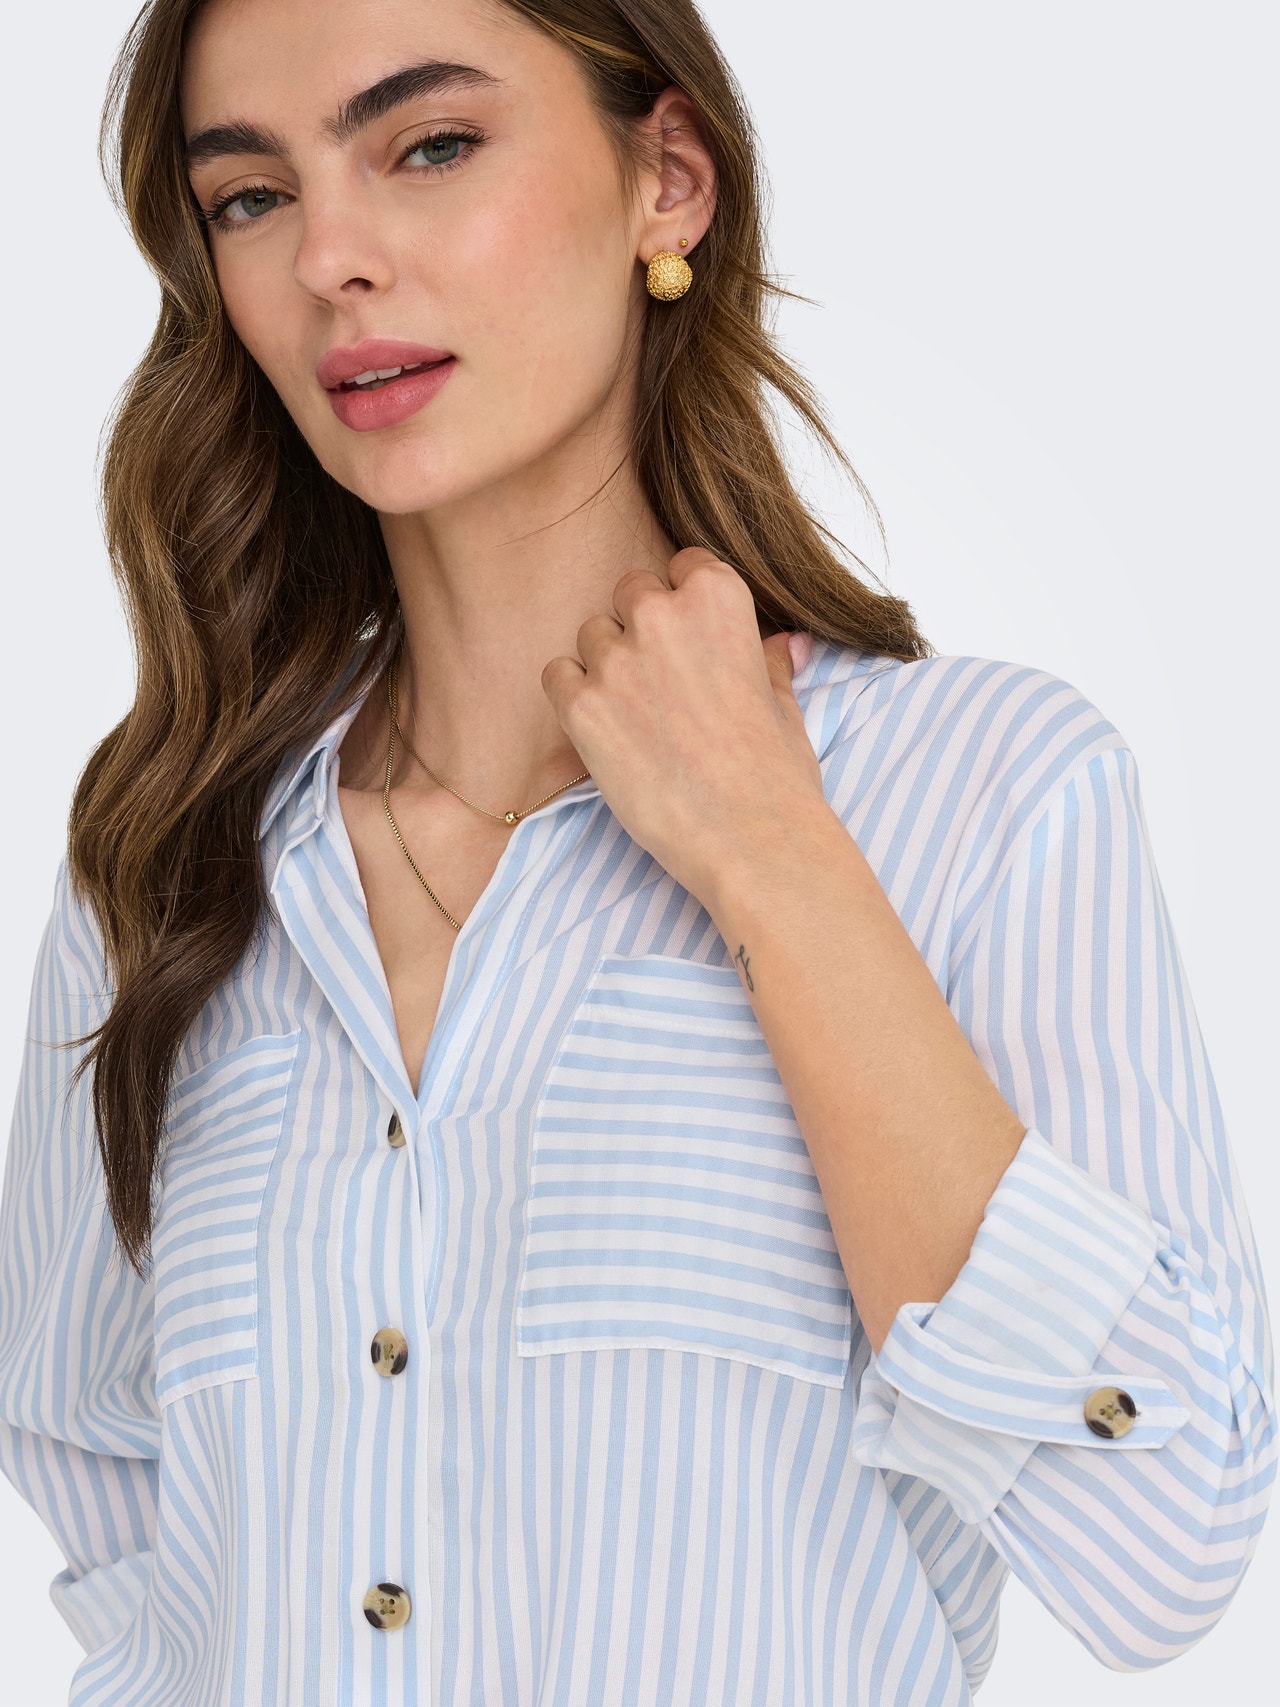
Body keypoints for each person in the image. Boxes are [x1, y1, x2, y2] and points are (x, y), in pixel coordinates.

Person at [0, 0, 1273, 1702]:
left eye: (429, 146)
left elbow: (1167, 1537)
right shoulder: (167, 866)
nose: (329, 261)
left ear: (667, 178)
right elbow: (97, 1471)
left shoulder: (981, 796)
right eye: (252, 196)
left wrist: (769, 854)